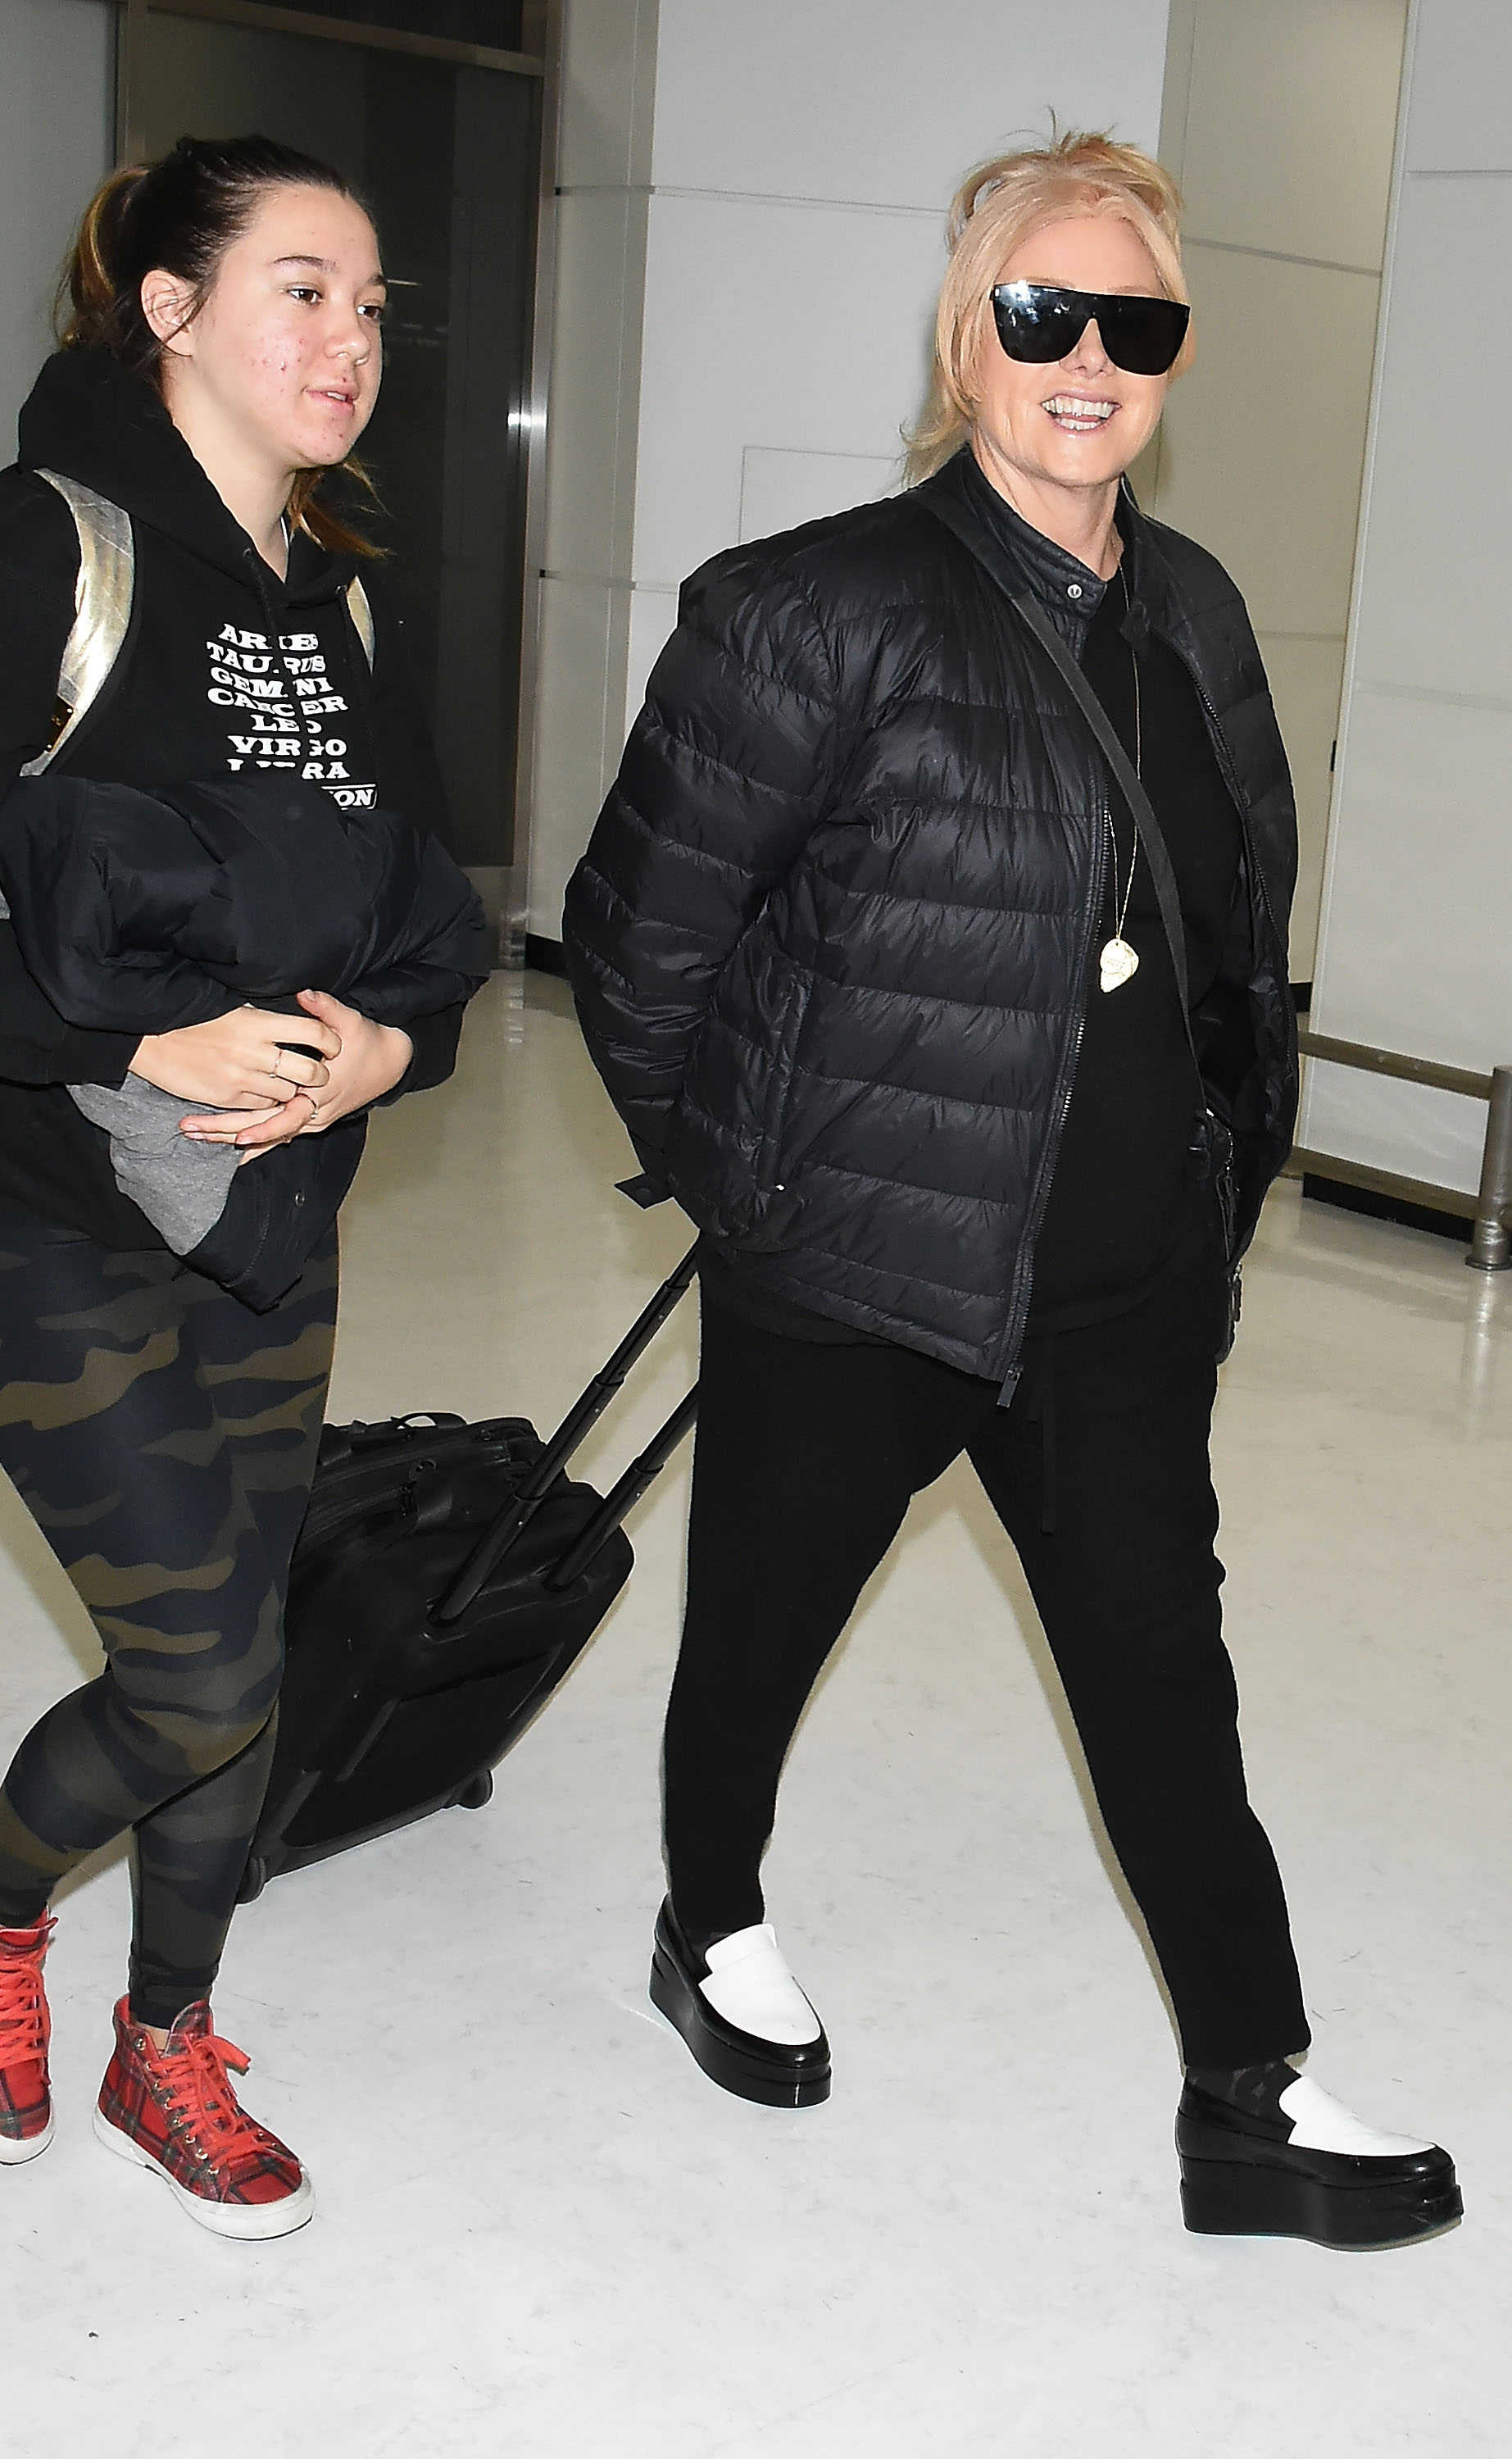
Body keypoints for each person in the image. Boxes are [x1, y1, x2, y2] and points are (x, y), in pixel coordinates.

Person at [564, 130, 1460, 2251]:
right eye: (1038, 314)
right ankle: (707, 1923)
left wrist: (1207, 1188)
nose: (1083, 359)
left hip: (1111, 1293)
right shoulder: (811, 611)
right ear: (967, 343)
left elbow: (1242, 920)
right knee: (759, 1628)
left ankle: (1243, 2092)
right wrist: (754, 1194)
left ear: (1166, 355)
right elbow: (634, 942)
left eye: (1126, 323)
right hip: (851, 1272)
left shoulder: (1199, 615)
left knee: (1164, 1675)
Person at [0, 135, 485, 2239]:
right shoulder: (20, 557)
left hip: (259, 1213)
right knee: (200, 1669)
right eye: (304, 288)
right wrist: (131, 1040)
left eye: (374, 303)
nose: (352, 340)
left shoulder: (337, 607)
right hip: (32, 1193)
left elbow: (425, 909)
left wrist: (391, 1045)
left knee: (246, 1642)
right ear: (168, 310)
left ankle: (170, 2035)